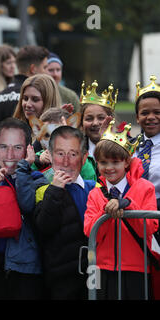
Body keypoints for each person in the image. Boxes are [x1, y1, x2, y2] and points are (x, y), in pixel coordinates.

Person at [0, 118, 47, 299]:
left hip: (25, 264)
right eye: (3, 147)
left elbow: (26, 204)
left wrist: (23, 169)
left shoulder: (37, 179)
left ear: (28, 150)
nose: (10, 154)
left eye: (17, 147)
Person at [84, 121, 158, 299]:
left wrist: (127, 205)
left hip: (136, 267)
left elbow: (149, 227)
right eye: (103, 162)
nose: (109, 167)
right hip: (100, 268)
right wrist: (106, 211)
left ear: (126, 162)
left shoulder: (145, 188)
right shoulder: (95, 193)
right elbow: (89, 231)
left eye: (115, 162)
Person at [34, 126, 97, 299]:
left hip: (93, 272)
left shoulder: (96, 190)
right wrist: (54, 191)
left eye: (73, 154)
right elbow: (44, 227)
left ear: (84, 158)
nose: (66, 162)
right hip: (60, 277)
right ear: (51, 157)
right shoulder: (43, 191)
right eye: (60, 154)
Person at [0, 45, 49, 128]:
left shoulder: (0, 94)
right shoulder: (35, 95)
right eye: (45, 67)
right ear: (33, 69)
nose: (47, 73)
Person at [12, 74, 62, 152]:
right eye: (25, 98)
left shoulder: (59, 135)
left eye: (35, 99)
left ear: (48, 101)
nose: (28, 104)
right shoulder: (13, 129)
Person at [80, 80, 118, 180]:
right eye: (89, 119)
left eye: (101, 118)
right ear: (81, 122)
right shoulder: (78, 148)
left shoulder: (121, 146)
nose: (95, 123)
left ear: (111, 120)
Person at [135, 75, 160, 210]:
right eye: (145, 113)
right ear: (137, 118)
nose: (151, 117)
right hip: (132, 217)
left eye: (157, 112)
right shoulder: (128, 146)